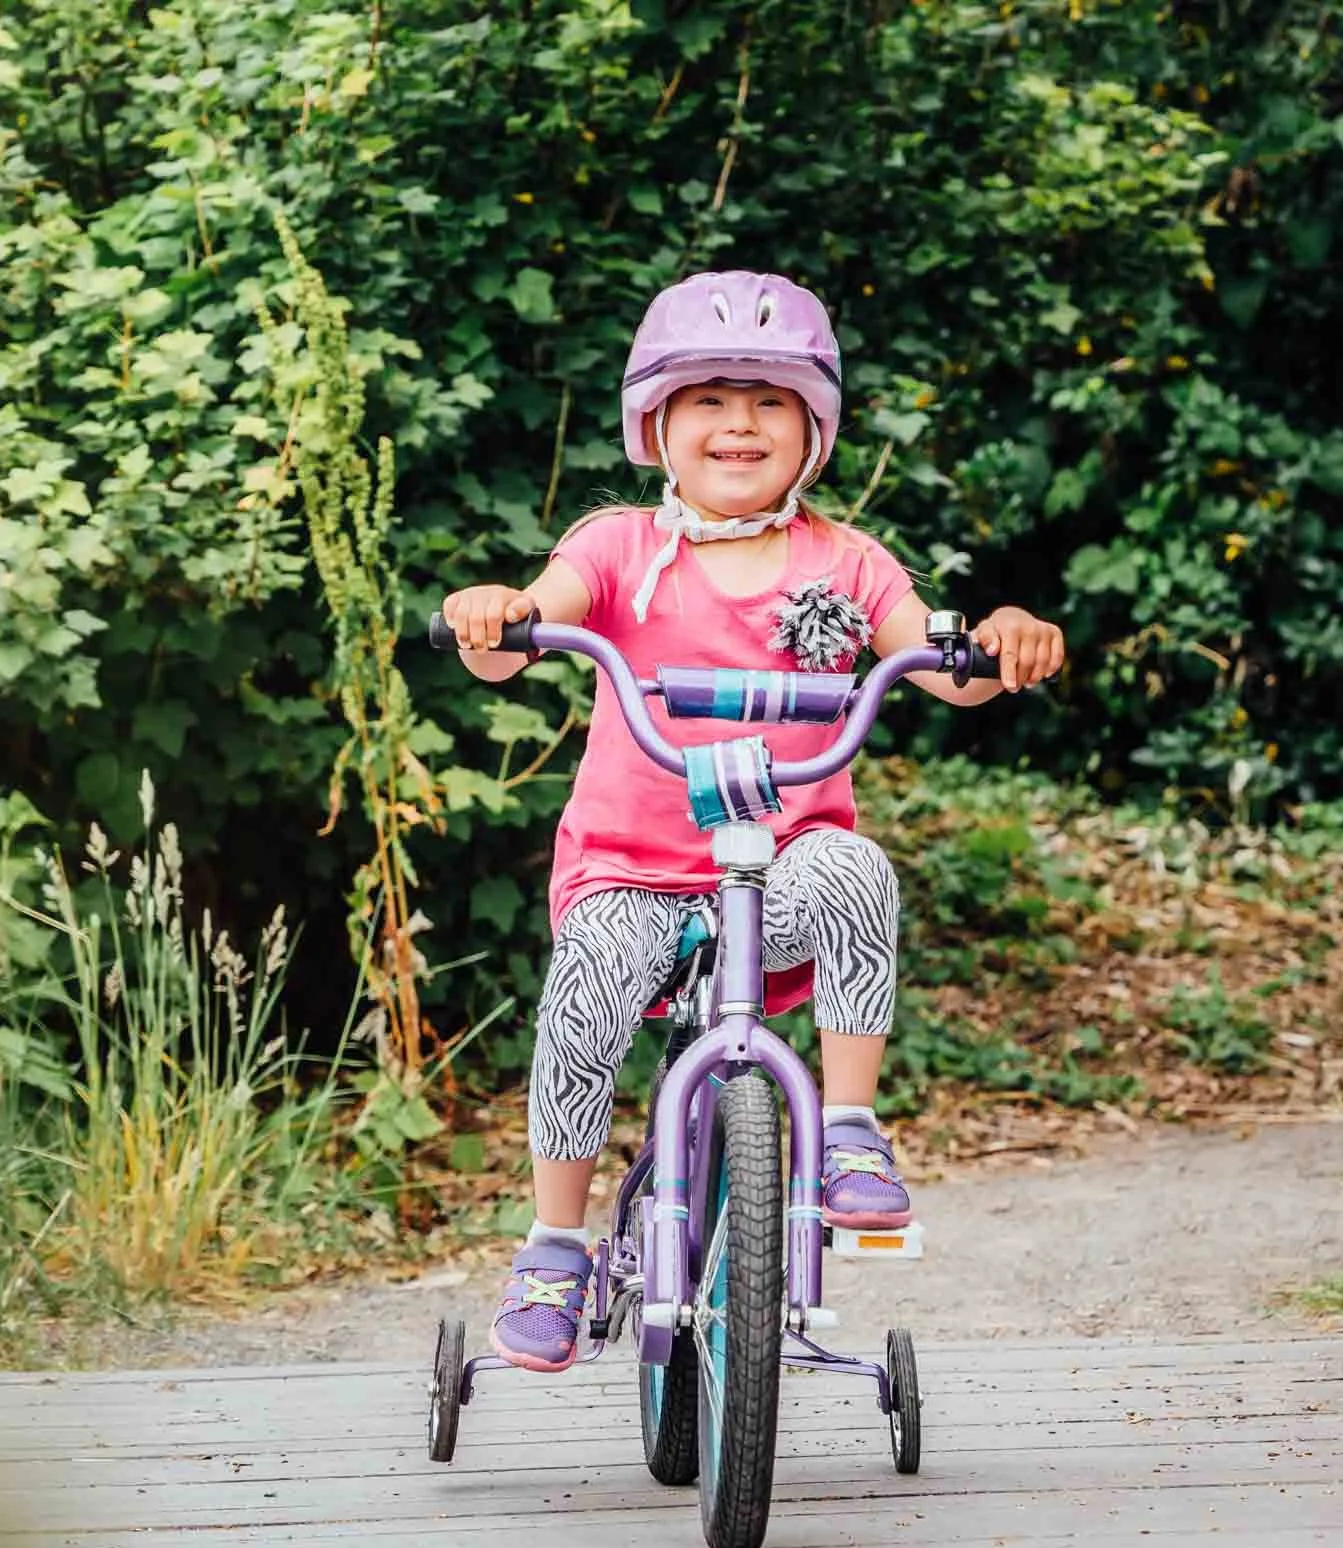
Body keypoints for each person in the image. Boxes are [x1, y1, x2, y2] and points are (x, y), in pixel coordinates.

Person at [439, 271, 1067, 1372]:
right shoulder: (617, 549)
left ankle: (849, 1133)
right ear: (658, 424)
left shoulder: (847, 562)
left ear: (812, 431)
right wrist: (495, 617)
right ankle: (552, 1242)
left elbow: (936, 658)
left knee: (859, 871)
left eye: (770, 401)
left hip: (776, 879)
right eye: (711, 399)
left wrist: (994, 642)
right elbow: (530, 627)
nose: (739, 423)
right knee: (585, 985)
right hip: (632, 875)